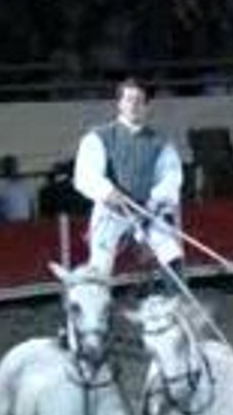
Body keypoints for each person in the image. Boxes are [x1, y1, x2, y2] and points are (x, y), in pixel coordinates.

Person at [73, 77, 185, 293]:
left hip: (147, 211)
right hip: (111, 211)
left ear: (146, 106)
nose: (133, 105)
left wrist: (153, 202)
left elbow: (171, 177)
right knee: (100, 265)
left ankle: (179, 303)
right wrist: (108, 192)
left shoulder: (161, 143)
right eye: (128, 100)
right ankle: (95, 311)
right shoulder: (98, 137)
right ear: (119, 104)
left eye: (139, 101)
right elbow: (85, 174)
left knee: (171, 254)